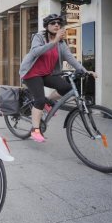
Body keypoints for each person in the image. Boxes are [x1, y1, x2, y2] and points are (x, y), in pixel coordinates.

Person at [19, 13, 97, 143]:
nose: (56, 25)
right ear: (47, 26)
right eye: (53, 23)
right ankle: (35, 130)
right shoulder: (39, 37)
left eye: (58, 23)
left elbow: (71, 59)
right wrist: (53, 41)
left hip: (46, 74)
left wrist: (85, 71)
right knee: (39, 100)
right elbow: (35, 52)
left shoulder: (61, 43)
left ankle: (47, 102)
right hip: (31, 73)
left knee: (65, 87)